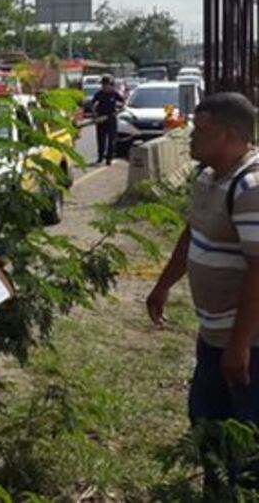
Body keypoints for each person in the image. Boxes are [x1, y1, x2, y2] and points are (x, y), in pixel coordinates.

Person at [146, 92, 259, 489]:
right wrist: (162, 286)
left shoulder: (250, 186)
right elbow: (192, 232)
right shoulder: (208, 177)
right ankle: (217, 491)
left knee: (244, 433)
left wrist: (240, 344)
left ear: (228, 134)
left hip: (245, 343)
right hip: (213, 333)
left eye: (200, 130)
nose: (191, 137)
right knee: (206, 420)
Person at [91, 76, 124, 165]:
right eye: (103, 84)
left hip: (111, 119)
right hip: (101, 119)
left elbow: (123, 102)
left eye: (106, 84)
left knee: (111, 140)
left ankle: (109, 158)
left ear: (111, 85)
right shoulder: (99, 94)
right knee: (101, 139)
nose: (104, 86)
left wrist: (119, 109)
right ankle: (100, 157)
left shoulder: (114, 94)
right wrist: (95, 115)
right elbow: (93, 104)